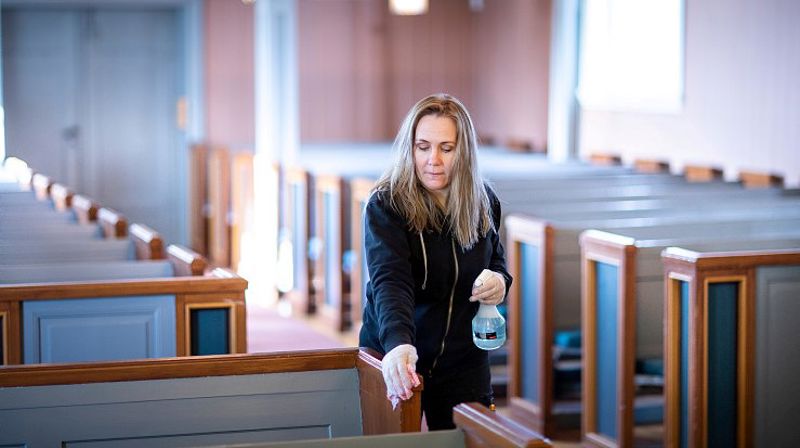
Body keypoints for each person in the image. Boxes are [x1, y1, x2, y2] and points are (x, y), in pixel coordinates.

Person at [359, 93, 513, 430]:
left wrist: (500, 281)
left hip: (463, 360)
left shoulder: (484, 202)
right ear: (409, 148)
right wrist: (398, 344)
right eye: (423, 146)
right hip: (397, 352)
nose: (434, 160)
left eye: (447, 148)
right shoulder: (386, 206)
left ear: (464, 151)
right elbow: (390, 282)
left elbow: (496, 262)